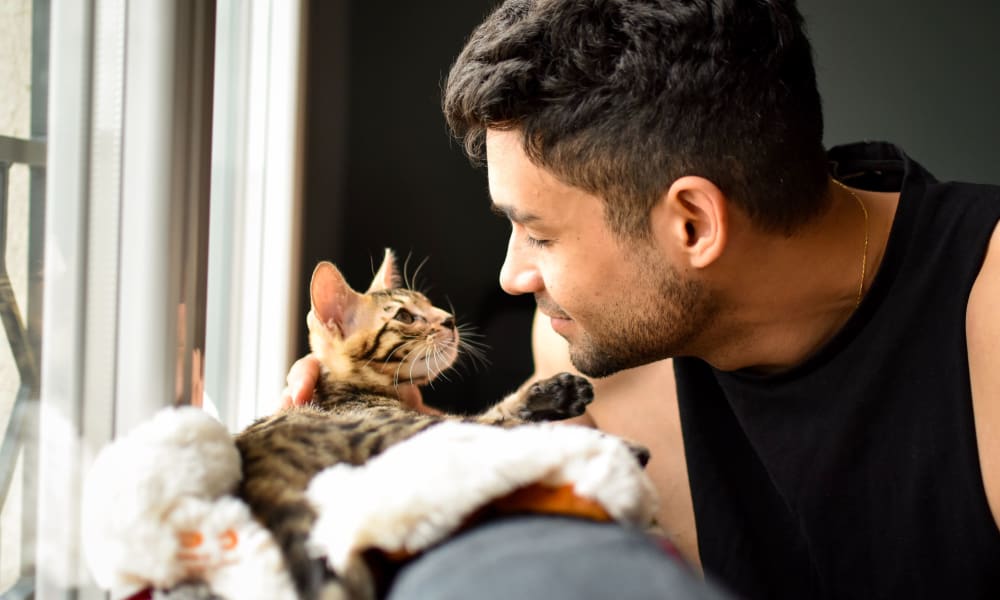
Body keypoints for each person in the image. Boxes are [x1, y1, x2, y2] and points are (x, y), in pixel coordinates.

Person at [286, 0, 1000, 597]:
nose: (512, 275)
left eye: (537, 233)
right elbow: (512, 514)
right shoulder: (590, 356)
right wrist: (400, 441)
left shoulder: (987, 313)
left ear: (692, 223)